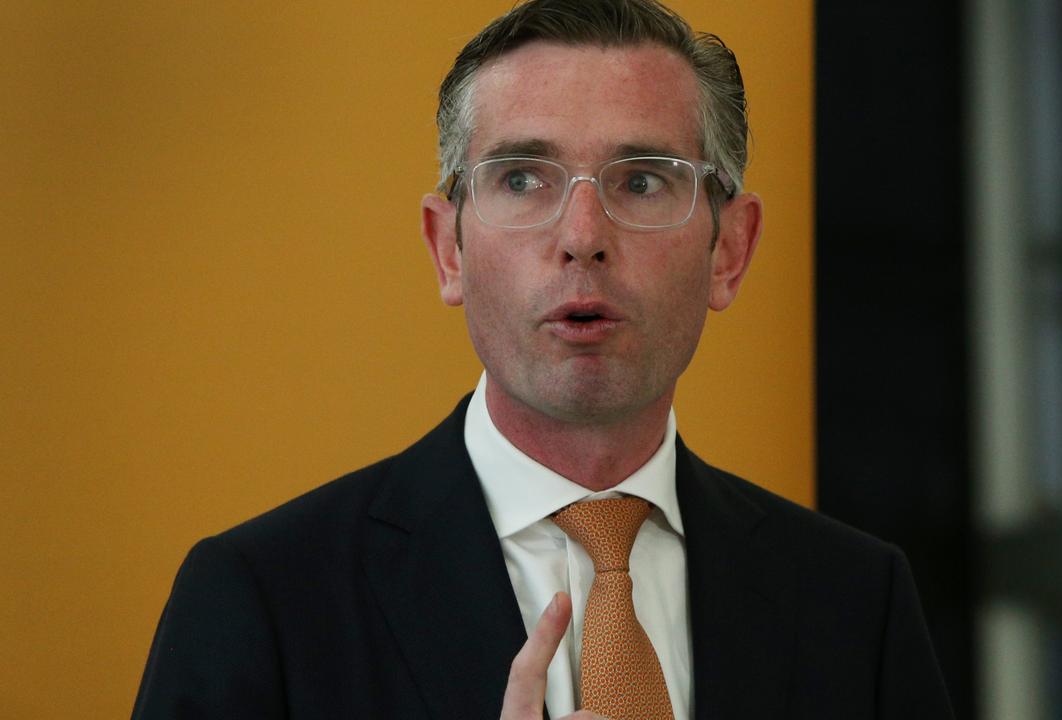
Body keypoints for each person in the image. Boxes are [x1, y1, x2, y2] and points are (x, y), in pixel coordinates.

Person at [132, 1, 954, 718]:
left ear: (728, 251)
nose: (583, 238)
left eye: (642, 181)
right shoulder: (263, 598)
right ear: (447, 249)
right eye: (523, 179)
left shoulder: (855, 600)